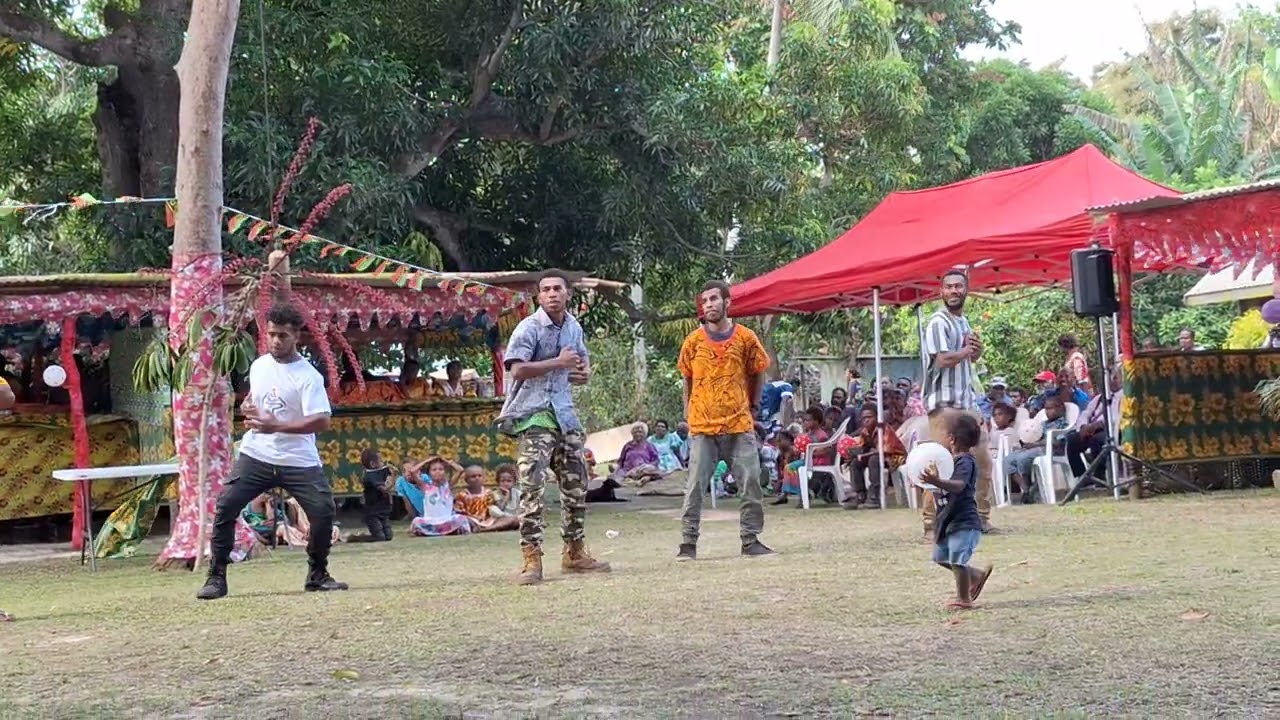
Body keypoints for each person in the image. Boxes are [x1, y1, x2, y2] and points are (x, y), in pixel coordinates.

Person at [198, 304, 346, 600]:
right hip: (257, 454)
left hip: (298, 459)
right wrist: (248, 408)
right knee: (226, 505)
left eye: (283, 336)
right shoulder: (259, 366)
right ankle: (216, 577)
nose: (276, 341)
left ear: (297, 337)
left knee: (322, 512)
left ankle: (317, 575)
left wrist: (275, 425)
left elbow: (321, 420)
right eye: (271, 335)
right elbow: (257, 400)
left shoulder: (308, 376)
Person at [496, 269, 608, 585]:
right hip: (534, 415)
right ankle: (531, 559)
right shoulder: (528, 327)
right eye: (546, 290)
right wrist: (558, 362)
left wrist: (583, 373)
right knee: (532, 486)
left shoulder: (573, 327)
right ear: (539, 296)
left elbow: (581, 365)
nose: (552, 294)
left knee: (577, 484)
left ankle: (574, 552)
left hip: (565, 415)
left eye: (557, 288)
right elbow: (517, 370)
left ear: (567, 293)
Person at [676, 279, 773, 560]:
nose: (708, 305)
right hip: (702, 426)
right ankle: (688, 543)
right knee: (695, 486)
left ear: (727, 302)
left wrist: (754, 406)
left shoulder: (746, 338)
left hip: (739, 423)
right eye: (704, 301)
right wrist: (688, 412)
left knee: (751, 481)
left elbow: (758, 370)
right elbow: (687, 378)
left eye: (714, 299)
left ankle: (750, 540)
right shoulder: (693, 341)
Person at [921, 269, 995, 536]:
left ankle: (981, 519)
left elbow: (970, 358)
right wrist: (966, 351)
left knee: (983, 460)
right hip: (944, 405)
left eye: (958, 286)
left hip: (967, 401)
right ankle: (931, 525)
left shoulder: (964, 322)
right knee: (941, 463)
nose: (954, 291)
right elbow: (942, 359)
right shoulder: (937, 322)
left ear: (966, 290)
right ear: (941, 292)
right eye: (949, 286)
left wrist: (976, 352)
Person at [919, 411, 994, 610]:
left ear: (952, 439)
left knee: (958, 560)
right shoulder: (949, 461)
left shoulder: (965, 461)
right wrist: (929, 481)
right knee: (940, 557)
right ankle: (975, 575)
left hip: (963, 521)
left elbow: (959, 485)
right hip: (947, 520)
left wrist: (937, 481)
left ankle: (964, 598)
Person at [1004, 395, 1070, 503]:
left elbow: (1057, 442)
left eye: (1050, 408)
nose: (1047, 412)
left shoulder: (1062, 424)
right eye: (1046, 409)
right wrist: (1026, 440)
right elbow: (1034, 435)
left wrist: (1036, 444)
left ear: (1060, 408)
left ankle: (1029, 487)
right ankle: (1026, 489)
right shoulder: (1043, 424)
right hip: (1034, 449)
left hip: (1050, 451)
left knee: (1023, 458)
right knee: (1008, 460)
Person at [841, 402, 907, 510]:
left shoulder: (884, 429)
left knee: (874, 460)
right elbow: (864, 446)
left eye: (869, 417)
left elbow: (884, 450)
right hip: (877, 456)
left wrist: (864, 455)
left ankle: (874, 494)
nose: (866, 420)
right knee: (856, 463)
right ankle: (859, 493)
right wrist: (855, 452)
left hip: (894, 457)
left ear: (877, 417)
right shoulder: (865, 431)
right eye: (863, 418)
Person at [1066, 367, 1124, 485]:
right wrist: (1083, 426)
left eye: (1115, 378)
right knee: (1072, 440)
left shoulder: (1124, 396)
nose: (1111, 381)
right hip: (1091, 429)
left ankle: (1099, 476)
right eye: (1109, 378)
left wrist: (1097, 425)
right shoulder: (1099, 397)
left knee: (1096, 440)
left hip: (1112, 429)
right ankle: (1082, 476)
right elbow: (1086, 413)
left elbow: (1117, 416)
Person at [360, 447, 394, 542]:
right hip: (373, 512)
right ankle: (361, 537)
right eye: (381, 461)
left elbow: (388, 478)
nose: (383, 463)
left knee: (388, 536)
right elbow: (384, 489)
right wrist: (394, 477)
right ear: (373, 464)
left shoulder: (382, 471)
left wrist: (391, 474)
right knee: (380, 537)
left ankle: (377, 533)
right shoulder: (369, 476)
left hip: (383, 510)